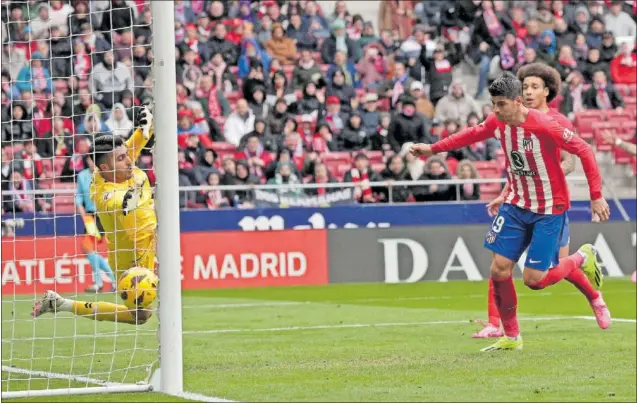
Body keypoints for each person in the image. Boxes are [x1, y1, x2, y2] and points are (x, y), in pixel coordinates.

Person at [410, 73, 611, 352]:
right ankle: (512, 336)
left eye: (500, 104)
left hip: (548, 208)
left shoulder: (545, 125)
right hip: (516, 205)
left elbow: (585, 150)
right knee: (499, 269)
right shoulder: (498, 122)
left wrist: (596, 196)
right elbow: (470, 135)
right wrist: (432, 149)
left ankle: (581, 257)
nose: (495, 110)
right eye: (493, 104)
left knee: (534, 281)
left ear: (517, 102)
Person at [473, 63, 581, 339]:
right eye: (526, 86)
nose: (529, 91)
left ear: (547, 91)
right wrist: (504, 193)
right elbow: (519, 168)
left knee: (546, 273)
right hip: (520, 202)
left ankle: (591, 286)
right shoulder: (510, 120)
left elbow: (571, 160)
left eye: (535, 86)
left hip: (551, 203)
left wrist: (550, 172)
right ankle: (496, 323)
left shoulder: (557, 121)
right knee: (500, 263)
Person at [32, 105, 156, 325]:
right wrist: (132, 198)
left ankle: (59, 303)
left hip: (154, 238)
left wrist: (144, 130)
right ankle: (62, 304)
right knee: (141, 316)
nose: (129, 160)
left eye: (126, 155)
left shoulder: (119, 163)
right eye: (121, 158)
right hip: (132, 257)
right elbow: (118, 202)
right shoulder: (101, 192)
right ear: (104, 167)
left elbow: (132, 146)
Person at [76, 155, 115, 293]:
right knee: (88, 249)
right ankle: (111, 281)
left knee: (87, 248)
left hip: (102, 214)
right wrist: (84, 217)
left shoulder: (105, 174)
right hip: (90, 216)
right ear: (87, 161)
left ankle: (99, 282)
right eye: (90, 160)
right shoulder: (82, 176)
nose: (93, 163)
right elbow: (79, 198)